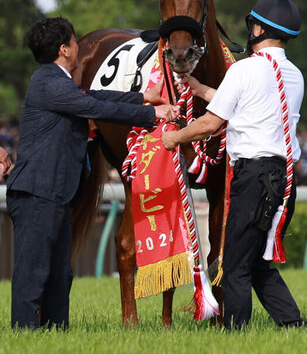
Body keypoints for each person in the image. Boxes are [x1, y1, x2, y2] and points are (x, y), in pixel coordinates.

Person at [7, 17, 179, 330]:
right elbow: (97, 108)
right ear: (65, 50)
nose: (77, 45)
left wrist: (143, 96)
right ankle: (23, 334)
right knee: (34, 272)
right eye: (74, 41)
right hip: (37, 193)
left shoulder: (56, 81)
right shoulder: (49, 82)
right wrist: (150, 113)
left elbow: (97, 96)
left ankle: (56, 332)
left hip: (53, 193)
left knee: (61, 272)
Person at [162, 0, 306, 330]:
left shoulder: (243, 69)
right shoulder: (295, 75)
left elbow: (211, 124)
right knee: (257, 264)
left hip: (254, 178)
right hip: (284, 179)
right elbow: (251, 107)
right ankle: (293, 325)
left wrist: (174, 138)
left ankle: (236, 334)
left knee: (236, 266)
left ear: (257, 28)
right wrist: (201, 90)